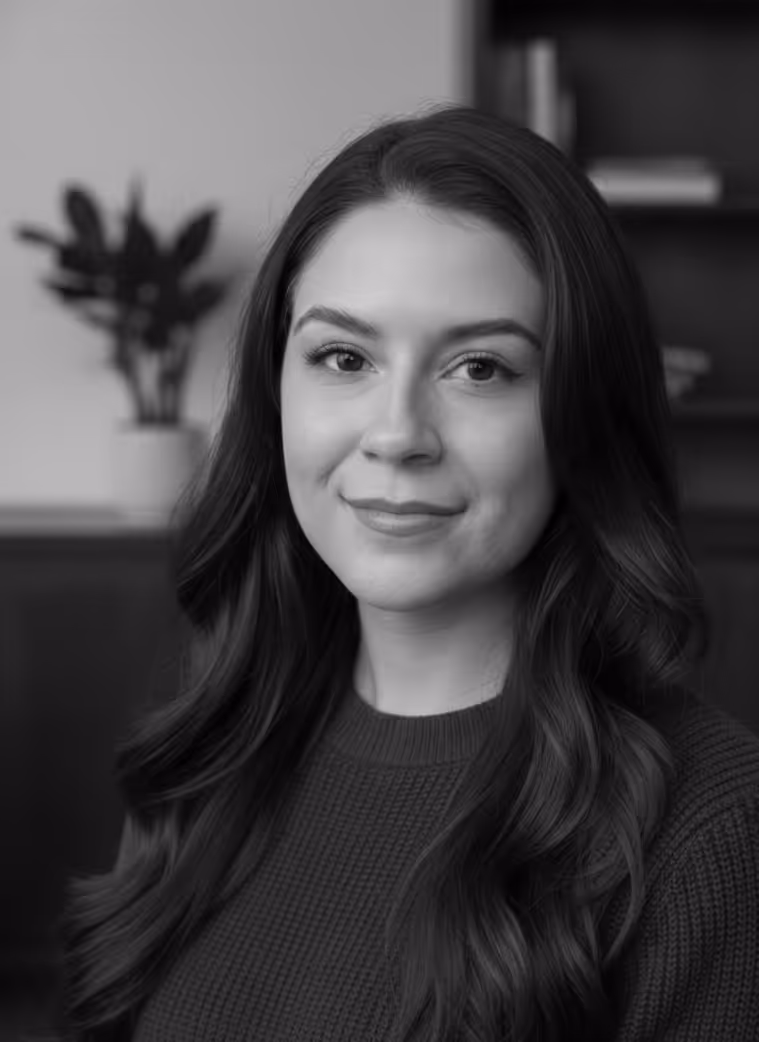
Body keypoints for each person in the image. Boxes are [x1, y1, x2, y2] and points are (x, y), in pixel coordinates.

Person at [50, 103, 759, 1042]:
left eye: (480, 369)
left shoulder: (712, 830)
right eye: (343, 357)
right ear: (275, 389)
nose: (395, 436)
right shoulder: (215, 751)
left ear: (583, 413)